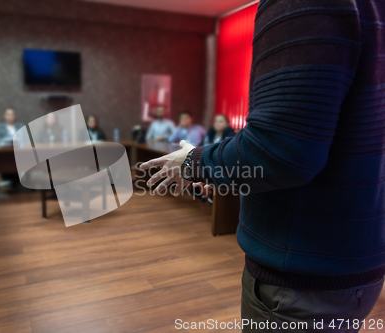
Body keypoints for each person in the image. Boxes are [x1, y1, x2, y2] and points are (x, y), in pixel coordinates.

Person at [141, 1, 385, 332]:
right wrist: (230, 172)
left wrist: (194, 162)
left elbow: (278, 152)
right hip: (351, 266)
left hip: (301, 283)